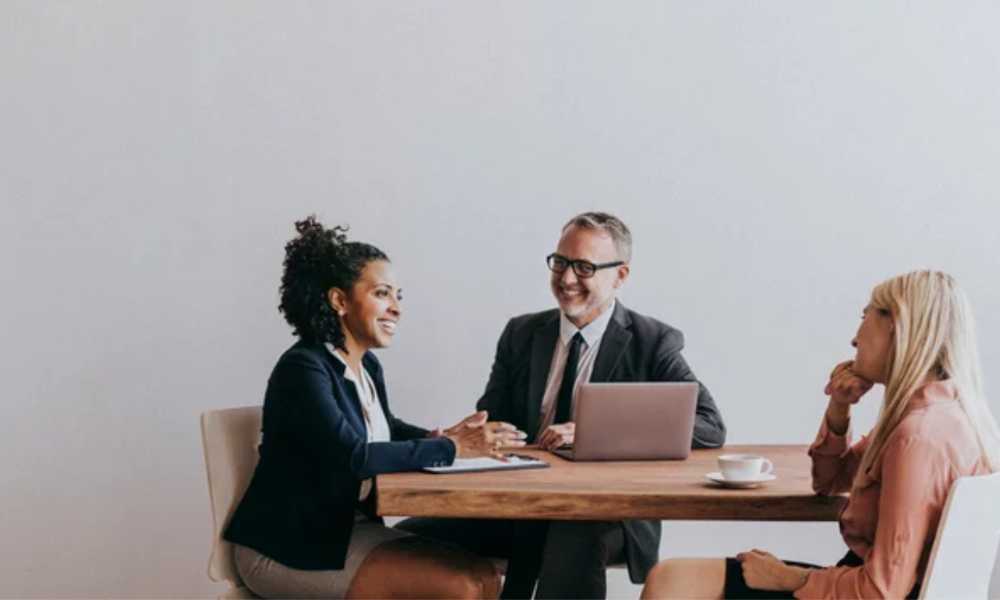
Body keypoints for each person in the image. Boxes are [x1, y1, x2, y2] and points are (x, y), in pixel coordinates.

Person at [398, 212, 726, 599]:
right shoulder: (521, 334)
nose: (567, 279)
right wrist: (478, 434)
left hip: (609, 512)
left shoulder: (653, 342)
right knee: (405, 540)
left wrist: (595, 433)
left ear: (620, 275)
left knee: (573, 529)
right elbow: (493, 418)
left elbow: (709, 426)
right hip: (521, 502)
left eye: (585, 267)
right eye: (561, 262)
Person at [641, 270, 1000, 600]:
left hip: (864, 590)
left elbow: (880, 591)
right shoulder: (939, 412)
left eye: (865, 316)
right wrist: (839, 409)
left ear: (898, 326)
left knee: (672, 583)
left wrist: (788, 578)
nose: (854, 338)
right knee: (673, 578)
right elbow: (829, 481)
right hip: (861, 581)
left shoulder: (918, 437)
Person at [224, 217, 526, 599]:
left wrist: (447, 438)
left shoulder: (365, 365)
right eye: (383, 293)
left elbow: (387, 429)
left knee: (485, 576)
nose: (396, 308)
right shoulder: (303, 368)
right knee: (462, 586)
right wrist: (452, 448)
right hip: (286, 548)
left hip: (343, 530)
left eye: (399, 296)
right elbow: (353, 456)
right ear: (339, 300)